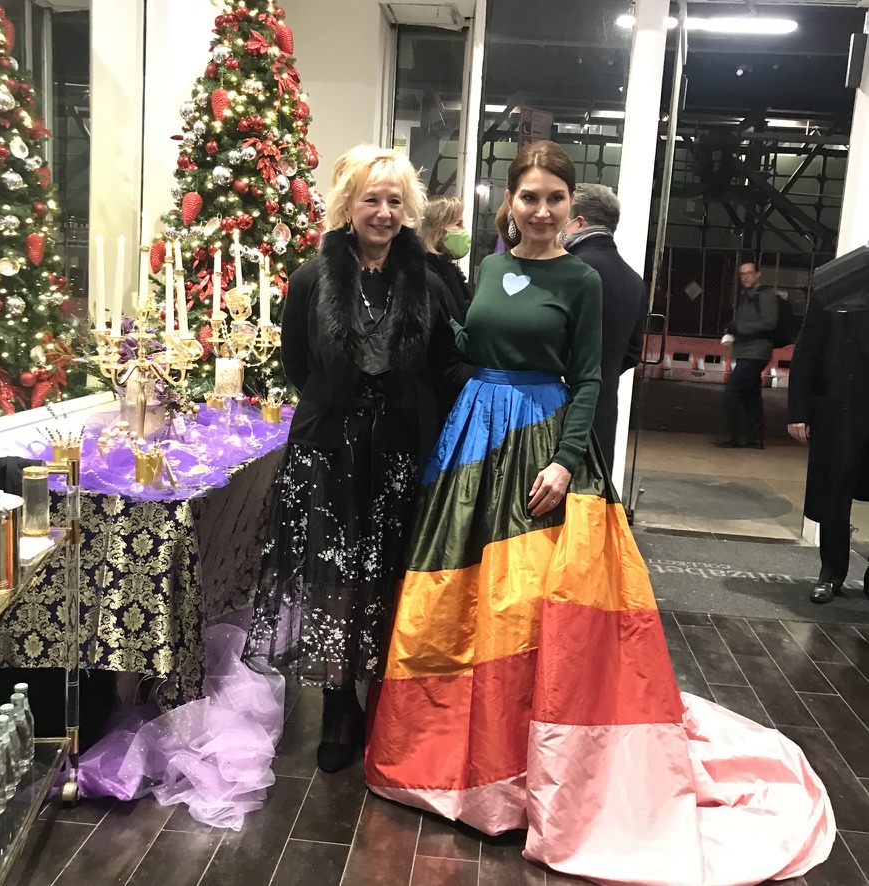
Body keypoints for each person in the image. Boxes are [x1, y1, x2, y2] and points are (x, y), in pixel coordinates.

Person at [364, 141, 833, 885]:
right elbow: (472, 346)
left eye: (555, 198)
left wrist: (564, 460)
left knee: (531, 610)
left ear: (570, 206)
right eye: (529, 196)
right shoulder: (487, 267)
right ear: (509, 202)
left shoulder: (582, 280)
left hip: (542, 444)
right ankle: (452, 752)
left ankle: (526, 766)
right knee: (461, 602)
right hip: (473, 441)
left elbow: (588, 378)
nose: (541, 210)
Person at [243, 144, 468, 774]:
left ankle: (388, 701)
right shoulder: (310, 280)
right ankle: (340, 705)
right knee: (335, 578)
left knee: (392, 573)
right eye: (372, 199)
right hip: (327, 453)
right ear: (348, 205)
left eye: (395, 201)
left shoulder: (430, 282)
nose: (384, 212)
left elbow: (446, 363)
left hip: (400, 450)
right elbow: (297, 362)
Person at [787, 292, 869, 604]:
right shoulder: (835, 289)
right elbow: (807, 351)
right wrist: (798, 411)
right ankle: (831, 574)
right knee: (836, 494)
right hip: (842, 410)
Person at [561, 183, 646, 472]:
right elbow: (632, 353)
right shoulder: (634, 280)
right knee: (591, 495)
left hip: (557, 413)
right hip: (604, 411)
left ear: (578, 223)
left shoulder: (566, 270)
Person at [715, 261, 778, 449]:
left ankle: (737, 436)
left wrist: (739, 328)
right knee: (751, 396)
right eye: (742, 274)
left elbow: (769, 323)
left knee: (732, 392)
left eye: (749, 273)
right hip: (746, 351)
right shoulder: (746, 296)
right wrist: (733, 330)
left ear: (758, 274)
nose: (745, 277)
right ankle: (754, 438)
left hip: (756, 352)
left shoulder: (765, 296)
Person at [417, 194, 472, 324]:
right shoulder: (425, 276)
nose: (463, 230)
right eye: (458, 224)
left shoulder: (447, 272)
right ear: (437, 230)